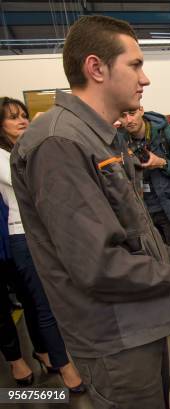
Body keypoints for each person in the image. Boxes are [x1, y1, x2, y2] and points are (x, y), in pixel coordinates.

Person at [10, 16, 170, 409]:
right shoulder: (60, 143)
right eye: (135, 65)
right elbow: (98, 264)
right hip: (114, 335)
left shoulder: (101, 137)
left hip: (137, 323)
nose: (144, 79)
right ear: (96, 68)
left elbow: (134, 231)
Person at [0, 97, 84, 391]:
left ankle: (50, 354)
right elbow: (29, 180)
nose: (22, 120)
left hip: (38, 232)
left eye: (24, 115)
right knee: (43, 304)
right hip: (18, 235)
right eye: (13, 117)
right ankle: (66, 367)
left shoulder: (23, 149)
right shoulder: (4, 155)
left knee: (46, 302)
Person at [118, 106, 170, 254]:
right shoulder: (119, 139)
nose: (128, 120)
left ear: (141, 110)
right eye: (123, 116)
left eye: (132, 113)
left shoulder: (167, 133)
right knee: (155, 263)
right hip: (142, 213)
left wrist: (162, 163)